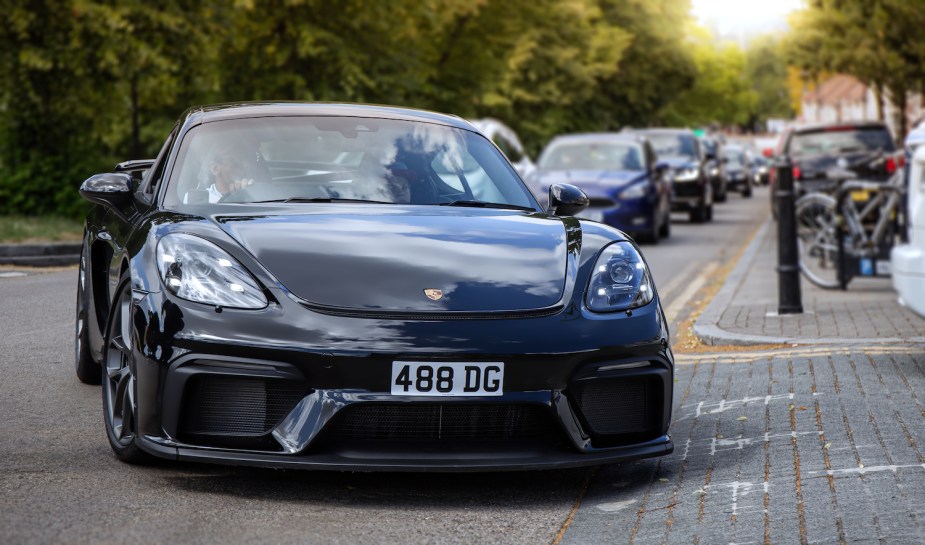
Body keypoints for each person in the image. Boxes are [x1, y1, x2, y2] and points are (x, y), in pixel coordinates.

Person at [185, 145, 255, 203]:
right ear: (215, 168)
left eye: (244, 160)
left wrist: (248, 195)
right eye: (235, 161)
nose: (245, 165)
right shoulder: (194, 200)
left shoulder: (254, 195)